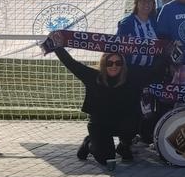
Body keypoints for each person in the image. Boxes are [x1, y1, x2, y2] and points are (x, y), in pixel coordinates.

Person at [48, 32, 157, 166]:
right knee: (106, 158)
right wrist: (58, 47)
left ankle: (124, 146)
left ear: (123, 64)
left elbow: (154, 72)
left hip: (122, 122)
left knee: (135, 121)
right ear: (103, 64)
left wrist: (169, 54)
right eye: (109, 63)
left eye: (118, 62)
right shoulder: (93, 77)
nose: (114, 66)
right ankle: (89, 143)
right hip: (100, 124)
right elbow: (72, 64)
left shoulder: (131, 79)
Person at [116, 0, 160, 83]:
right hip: (131, 70)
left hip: (151, 70)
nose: (146, 4)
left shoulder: (155, 22)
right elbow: (118, 45)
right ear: (136, 3)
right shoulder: (127, 23)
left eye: (149, 1)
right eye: (143, 1)